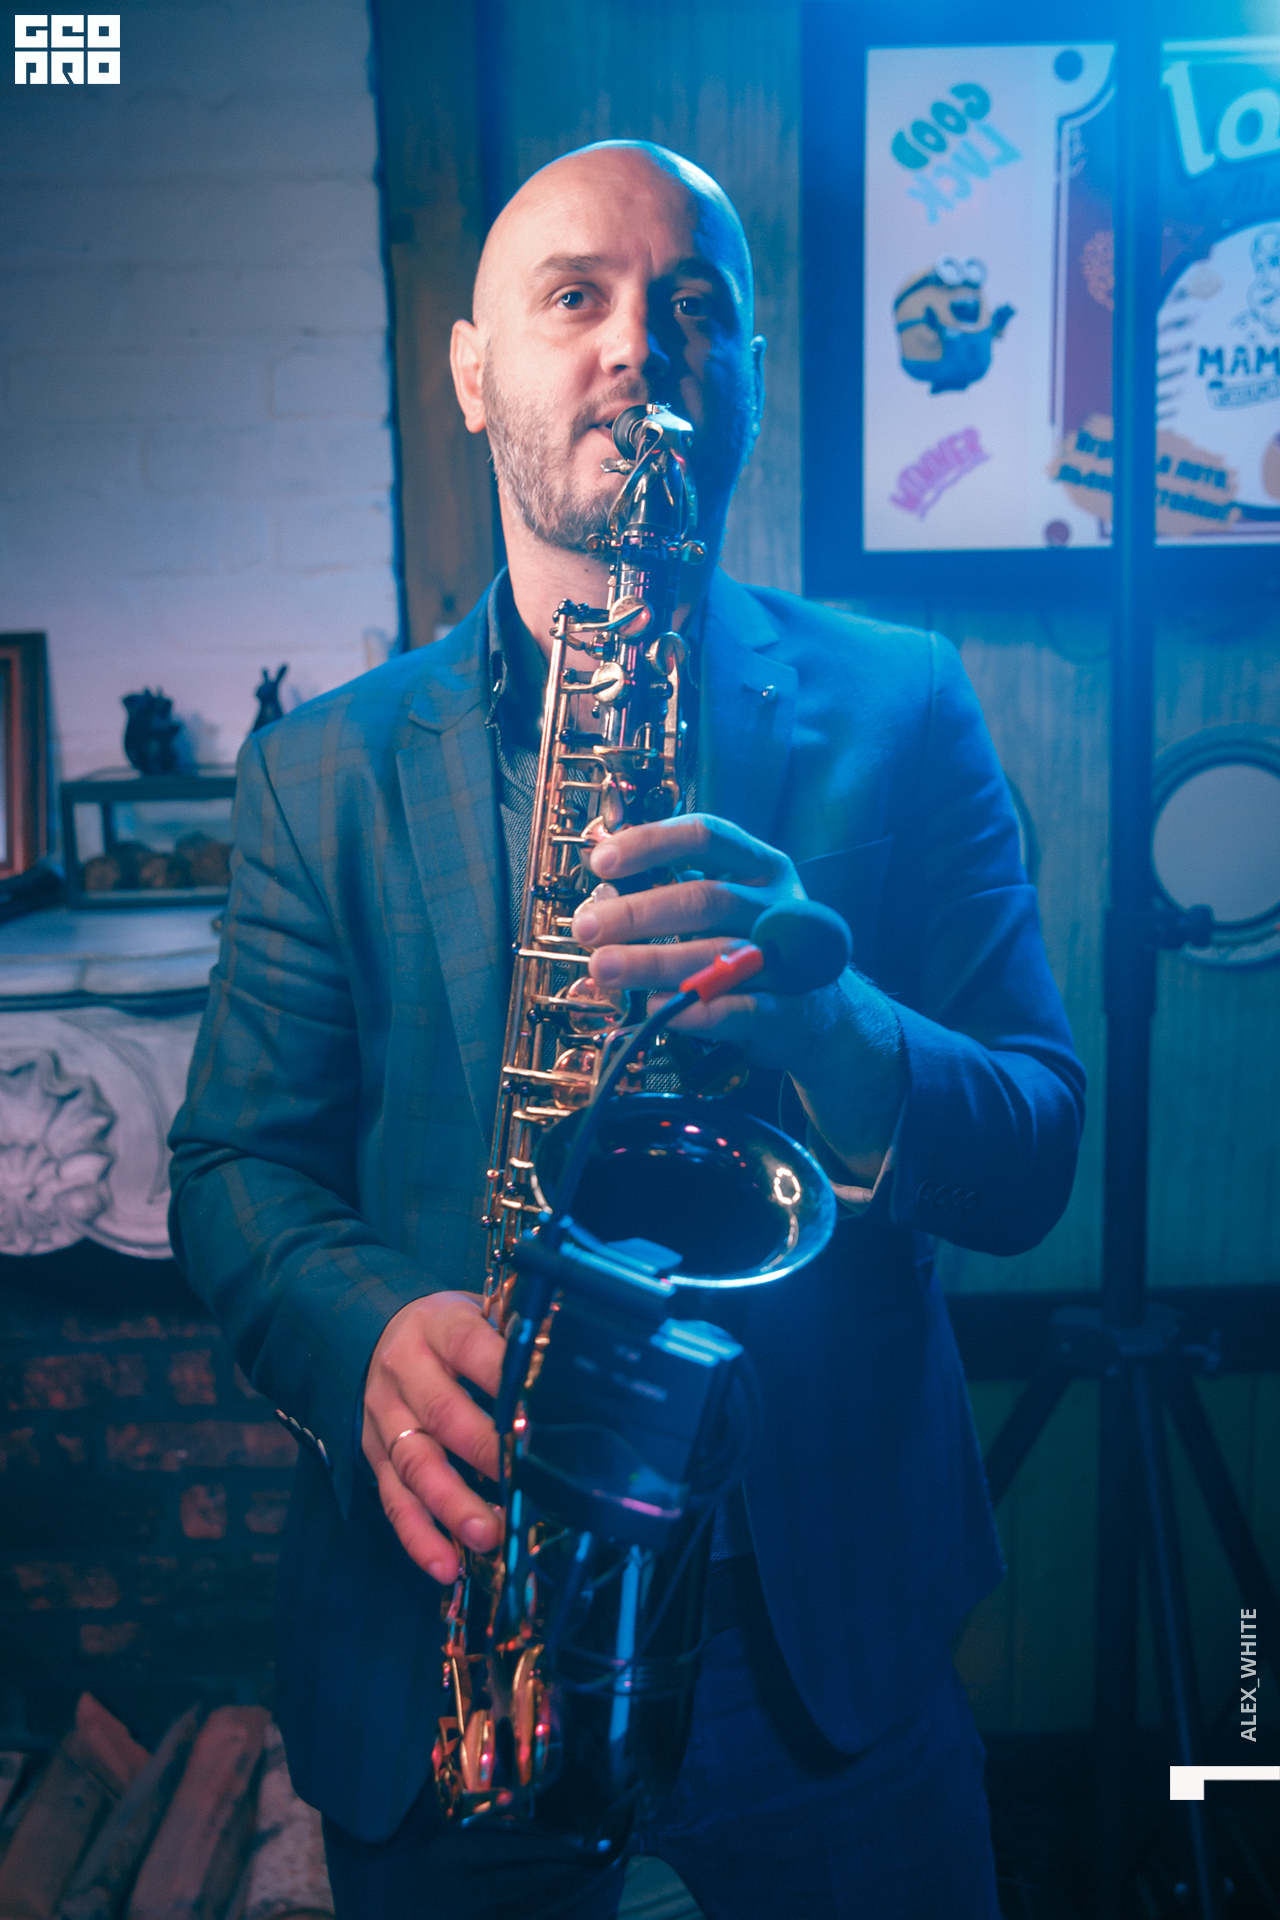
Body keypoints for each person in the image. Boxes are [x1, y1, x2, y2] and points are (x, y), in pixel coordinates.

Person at [168, 141, 1085, 1919]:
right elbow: (232, 1171)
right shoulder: (317, 771)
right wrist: (365, 1335)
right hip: (460, 1643)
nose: (639, 343)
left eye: (695, 305)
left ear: (748, 376)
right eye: (573, 295)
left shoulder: (908, 705)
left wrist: (832, 1020)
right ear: (471, 371)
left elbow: (1036, 1141)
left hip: (823, 1664)